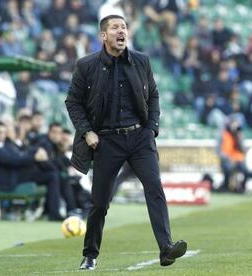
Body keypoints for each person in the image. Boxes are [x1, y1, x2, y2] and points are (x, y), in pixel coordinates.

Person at [65, 14, 187, 270]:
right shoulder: (86, 65)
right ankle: (90, 254)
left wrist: (152, 128)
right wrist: (87, 132)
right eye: (115, 27)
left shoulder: (142, 61)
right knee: (100, 202)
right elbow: (73, 102)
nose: (121, 31)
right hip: (106, 140)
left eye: (123, 27)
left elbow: (153, 95)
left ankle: (166, 249)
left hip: (140, 137)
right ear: (103, 36)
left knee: (155, 188)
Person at [216, 119, 252, 193]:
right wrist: (228, 158)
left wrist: (239, 138)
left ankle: (241, 186)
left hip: (238, 160)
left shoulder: (238, 136)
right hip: (227, 161)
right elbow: (219, 151)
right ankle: (226, 186)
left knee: (246, 170)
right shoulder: (224, 135)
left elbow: (243, 150)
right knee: (228, 168)